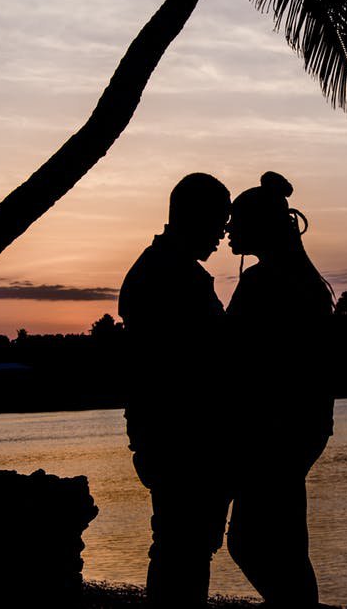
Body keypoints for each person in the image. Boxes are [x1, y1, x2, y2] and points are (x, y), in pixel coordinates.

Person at [117, 172, 232, 607]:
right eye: (219, 222)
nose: (223, 235)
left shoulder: (163, 269)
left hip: (166, 434)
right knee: (182, 547)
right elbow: (192, 364)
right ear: (194, 217)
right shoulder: (171, 276)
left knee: (182, 545)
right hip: (181, 437)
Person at [224, 171, 335, 607]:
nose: (228, 229)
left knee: (250, 542)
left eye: (236, 220)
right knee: (285, 539)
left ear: (258, 226)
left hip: (275, 428)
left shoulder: (264, 282)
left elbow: (237, 355)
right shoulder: (299, 279)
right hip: (302, 425)